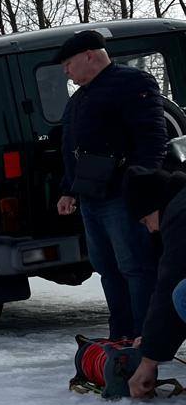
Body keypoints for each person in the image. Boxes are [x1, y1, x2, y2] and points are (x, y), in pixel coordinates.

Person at [55, 29, 167, 340]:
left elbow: (152, 140)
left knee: (135, 267)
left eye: (68, 63)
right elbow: (69, 148)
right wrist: (68, 189)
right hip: (90, 196)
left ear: (89, 55)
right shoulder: (77, 99)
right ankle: (121, 335)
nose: (66, 70)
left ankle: (147, 338)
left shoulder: (133, 82)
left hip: (123, 193)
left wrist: (141, 189)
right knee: (108, 269)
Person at [120, 168, 186, 397]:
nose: (151, 229)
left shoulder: (180, 213)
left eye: (146, 220)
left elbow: (168, 285)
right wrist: (151, 340)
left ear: (154, 204)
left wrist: (148, 360)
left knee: (182, 294)